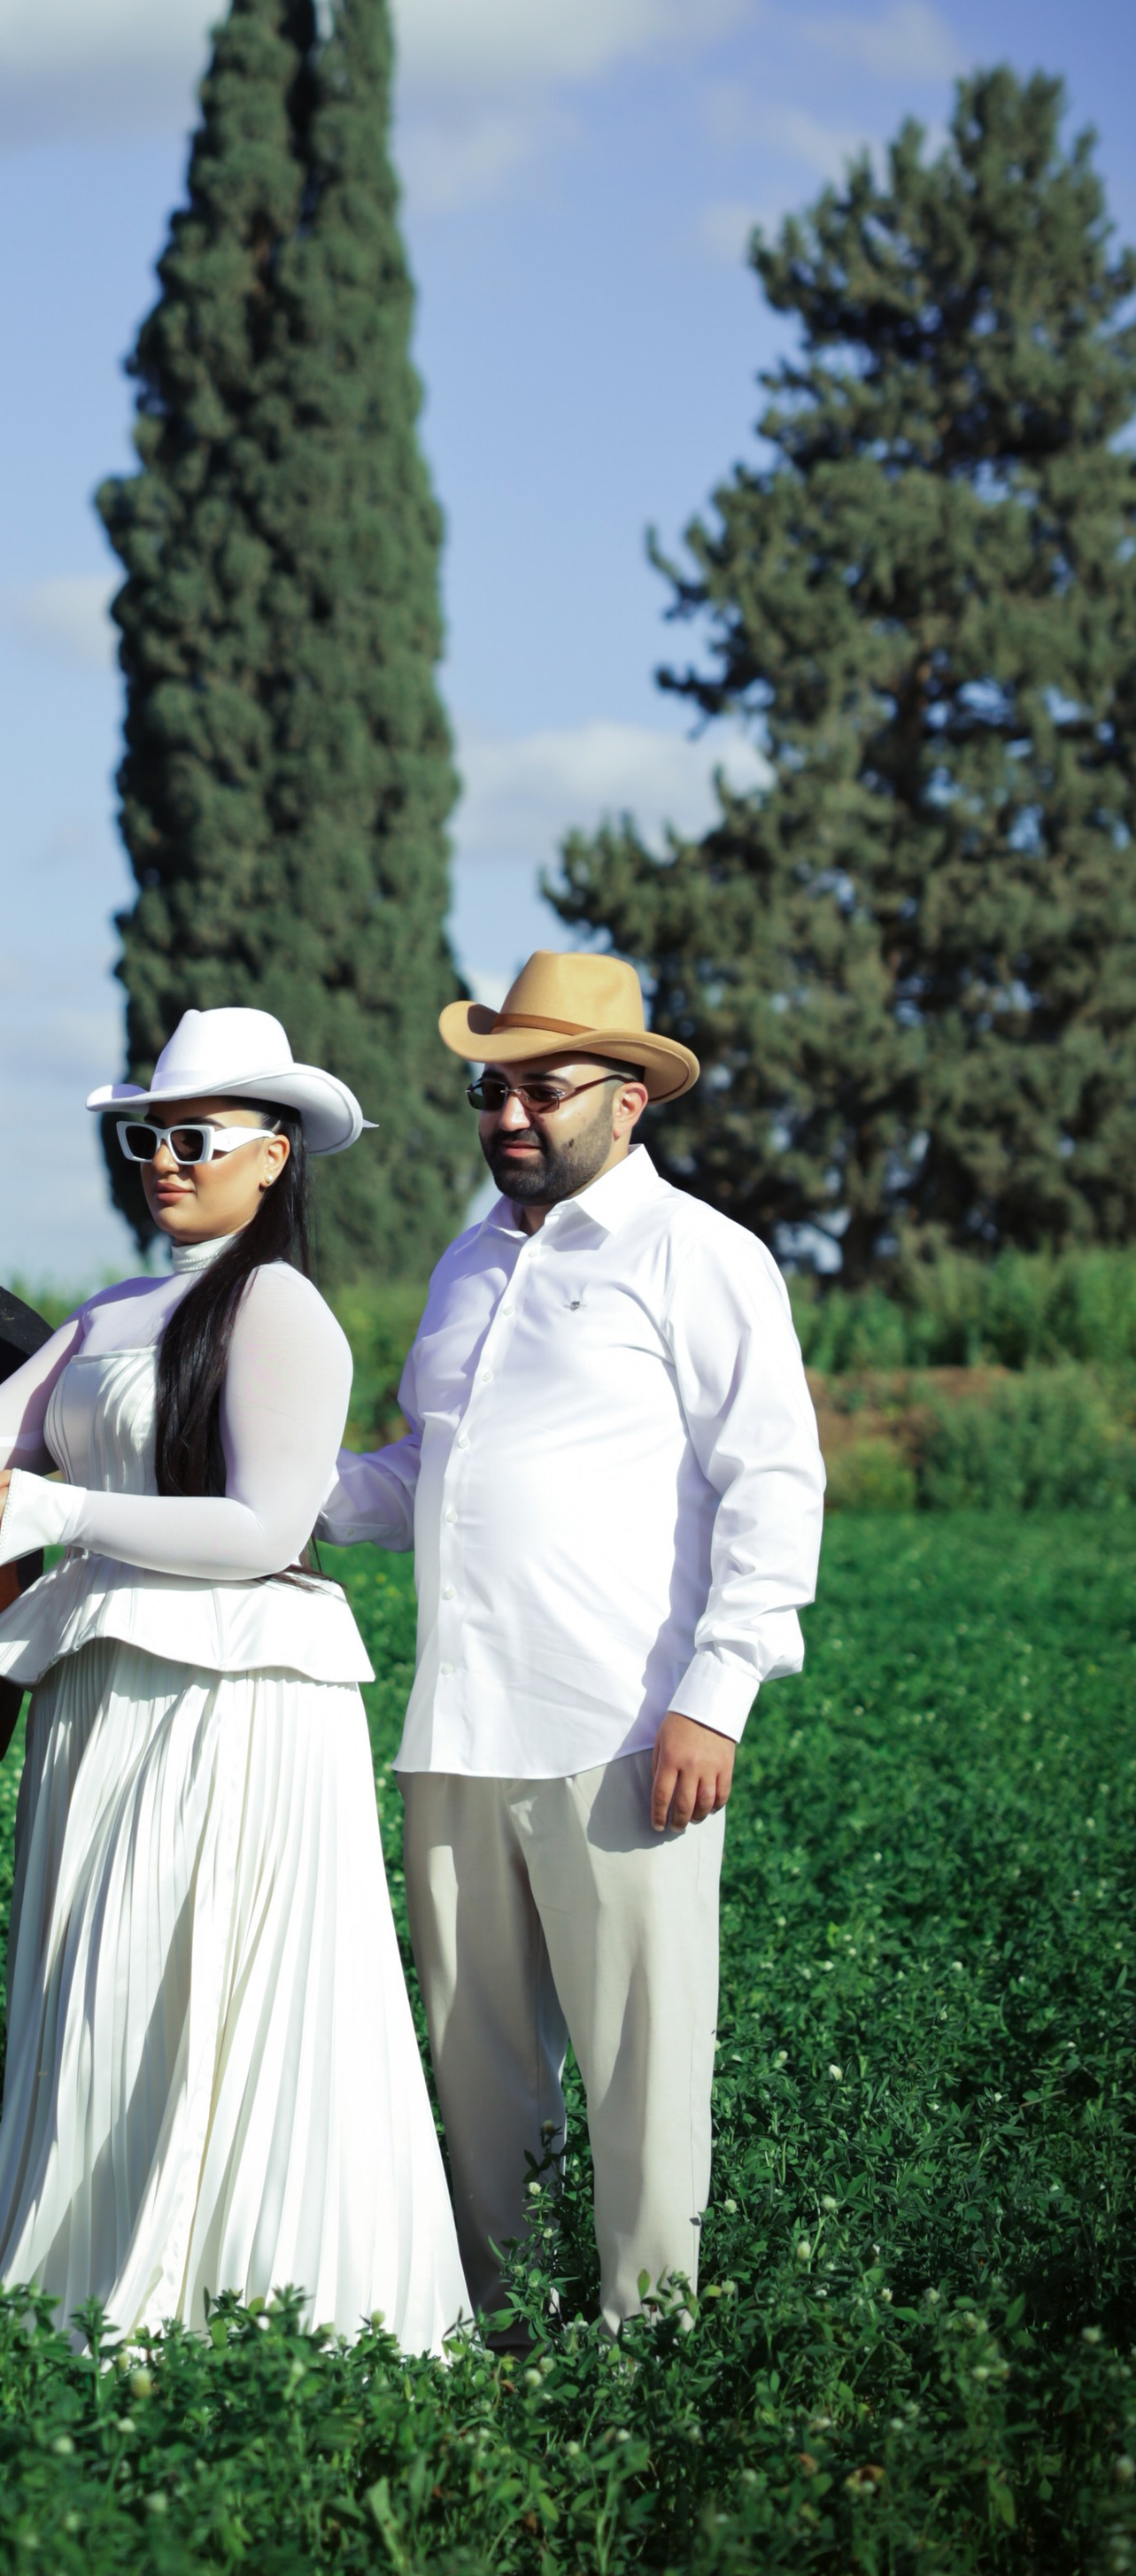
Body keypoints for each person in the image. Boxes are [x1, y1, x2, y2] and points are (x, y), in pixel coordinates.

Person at [0, 1005, 469, 2356]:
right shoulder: (116, 1309)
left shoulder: (279, 1309)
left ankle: (230, 2315)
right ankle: (81, 2302)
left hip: (230, 1706)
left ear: (272, 1156)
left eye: (191, 1135)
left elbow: (271, 1529)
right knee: (95, 2000)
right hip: (104, 1694)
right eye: (146, 1134)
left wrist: (59, 1517)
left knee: (207, 1992)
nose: (163, 1157)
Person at [319, 949, 826, 2332]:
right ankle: (493, 2331)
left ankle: (647, 2354)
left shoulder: (704, 1257)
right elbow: (420, 1469)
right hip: (457, 1732)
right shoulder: (466, 1263)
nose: (510, 1116)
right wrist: (278, 1497)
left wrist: (715, 1698)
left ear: (629, 1102)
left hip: (623, 1731)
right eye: (492, 1089)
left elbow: (774, 1486)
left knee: (643, 2067)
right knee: (475, 2067)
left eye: (543, 1088)